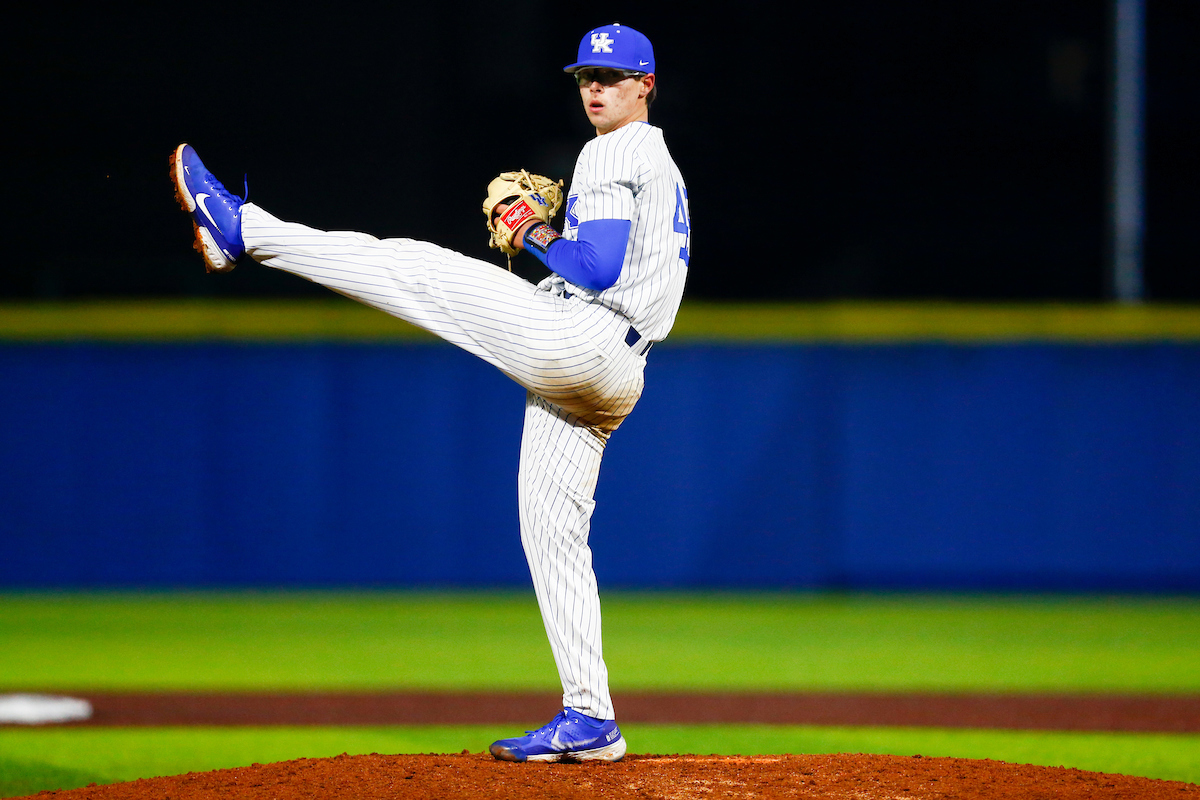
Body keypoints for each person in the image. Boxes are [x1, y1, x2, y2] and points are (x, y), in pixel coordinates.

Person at [170, 22, 690, 763]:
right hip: (616, 370)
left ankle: (245, 230)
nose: (596, 89)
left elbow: (597, 266)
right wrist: (548, 241)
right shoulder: (662, 160)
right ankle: (590, 716)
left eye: (612, 77)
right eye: (585, 78)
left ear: (647, 84)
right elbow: (613, 267)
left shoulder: (613, 149)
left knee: (411, 267)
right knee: (553, 534)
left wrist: (533, 231)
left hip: (582, 340)